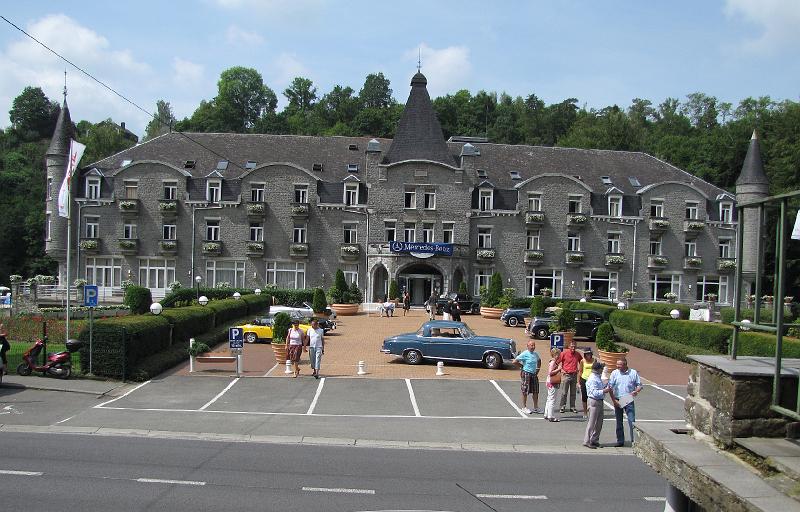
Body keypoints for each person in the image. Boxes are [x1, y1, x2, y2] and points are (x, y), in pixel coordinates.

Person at [608, 357, 643, 447]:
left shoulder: (633, 373)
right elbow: (610, 388)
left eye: (619, 365)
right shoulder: (614, 373)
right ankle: (620, 441)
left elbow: (639, 385)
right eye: (617, 364)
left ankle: (634, 441)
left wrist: (636, 391)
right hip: (617, 398)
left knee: (632, 421)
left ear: (625, 365)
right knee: (619, 421)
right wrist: (614, 400)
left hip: (628, 398)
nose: (617, 366)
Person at [583, 360, 610, 449]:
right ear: (597, 369)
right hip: (594, 400)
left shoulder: (597, 377)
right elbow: (594, 392)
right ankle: (587, 441)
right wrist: (604, 391)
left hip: (599, 400)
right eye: (601, 368)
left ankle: (594, 440)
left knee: (599, 422)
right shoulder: (593, 379)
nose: (602, 370)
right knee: (592, 422)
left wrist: (604, 386)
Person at [513, 340, 541, 414]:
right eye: (531, 345)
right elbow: (515, 361)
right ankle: (524, 407)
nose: (533, 347)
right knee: (525, 391)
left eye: (534, 345)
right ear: (527, 346)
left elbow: (539, 361)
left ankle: (536, 407)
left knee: (536, 391)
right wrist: (522, 366)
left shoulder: (535, 354)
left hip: (534, 374)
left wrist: (538, 369)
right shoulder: (525, 353)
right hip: (526, 374)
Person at [558, 340, 583, 414]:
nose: (573, 348)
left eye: (574, 346)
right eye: (572, 346)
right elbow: (558, 362)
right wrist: (562, 370)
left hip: (574, 375)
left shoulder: (578, 354)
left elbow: (582, 362)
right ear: (569, 346)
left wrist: (580, 370)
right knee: (564, 392)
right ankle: (562, 406)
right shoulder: (564, 353)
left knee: (573, 393)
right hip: (566, 375)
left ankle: (572, 407)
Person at [544, 347, 562, 422]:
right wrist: (558, 369)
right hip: (552, 382)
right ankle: (550, 416)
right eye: (557, 354)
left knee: (549, 398)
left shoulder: (552, 362)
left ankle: (546, 413)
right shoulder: (553, 362)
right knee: (552, 399)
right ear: (554, 355)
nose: (558, 356)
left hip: (549, 381)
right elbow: (550, 372)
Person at [579, 349, 596, 419]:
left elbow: (597, 369)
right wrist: (578, 382)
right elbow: (580, 371)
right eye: (586, 354)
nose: (588, 355)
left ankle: (592, 411)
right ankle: (585, 412)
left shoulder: (594, 360)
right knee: (584, 396)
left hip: (592, 380)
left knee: (593, 395)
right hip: (584, 379)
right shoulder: (582, 361)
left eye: (589, 354)